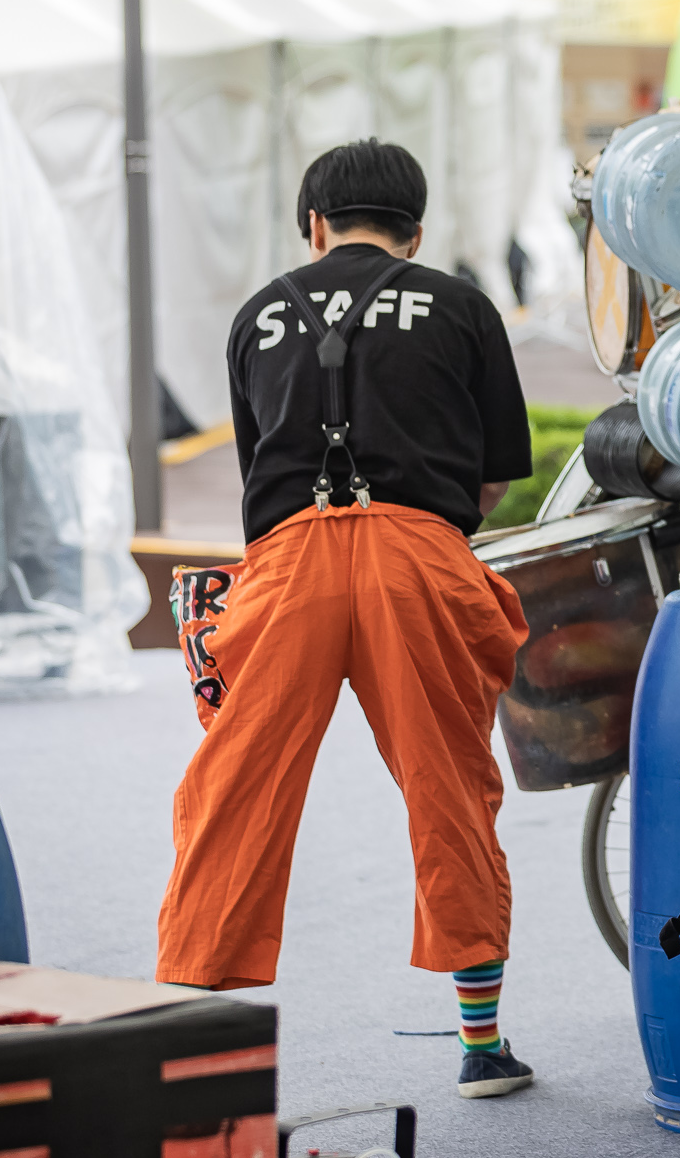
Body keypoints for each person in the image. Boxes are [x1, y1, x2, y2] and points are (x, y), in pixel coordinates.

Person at [155, 140, 539, 1100]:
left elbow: (259, 471)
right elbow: (492, 477)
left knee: (236, 784)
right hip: (417, 558)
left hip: (287, 564)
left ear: (314, 226)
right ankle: (482, 1046)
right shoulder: (460, 305)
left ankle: (192, 1041)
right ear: (416, 232)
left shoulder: (260, 313)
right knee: (449, 785)